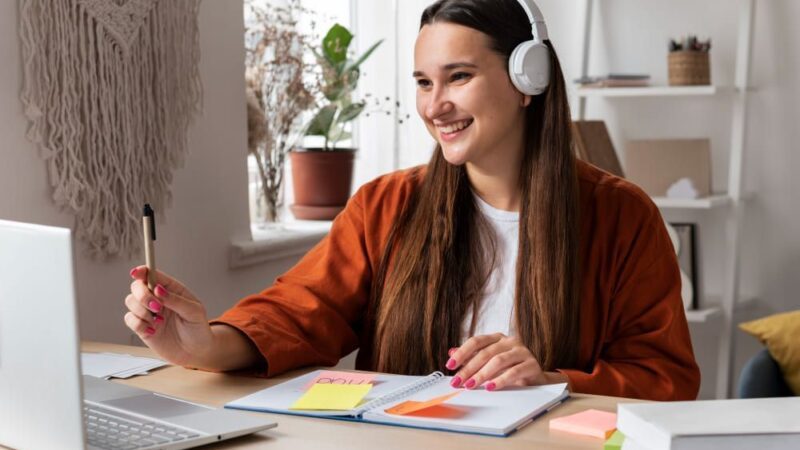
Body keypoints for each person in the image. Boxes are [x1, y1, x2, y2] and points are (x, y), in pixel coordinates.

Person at [124, 0, 700, 401]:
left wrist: (554, 380)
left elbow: (665, 379)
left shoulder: (623, 218)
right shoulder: (386, 206)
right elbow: (298, 312)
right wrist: (201, 342)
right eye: (424, 82)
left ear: (530, 81)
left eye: (459, 77)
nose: (435, 105)